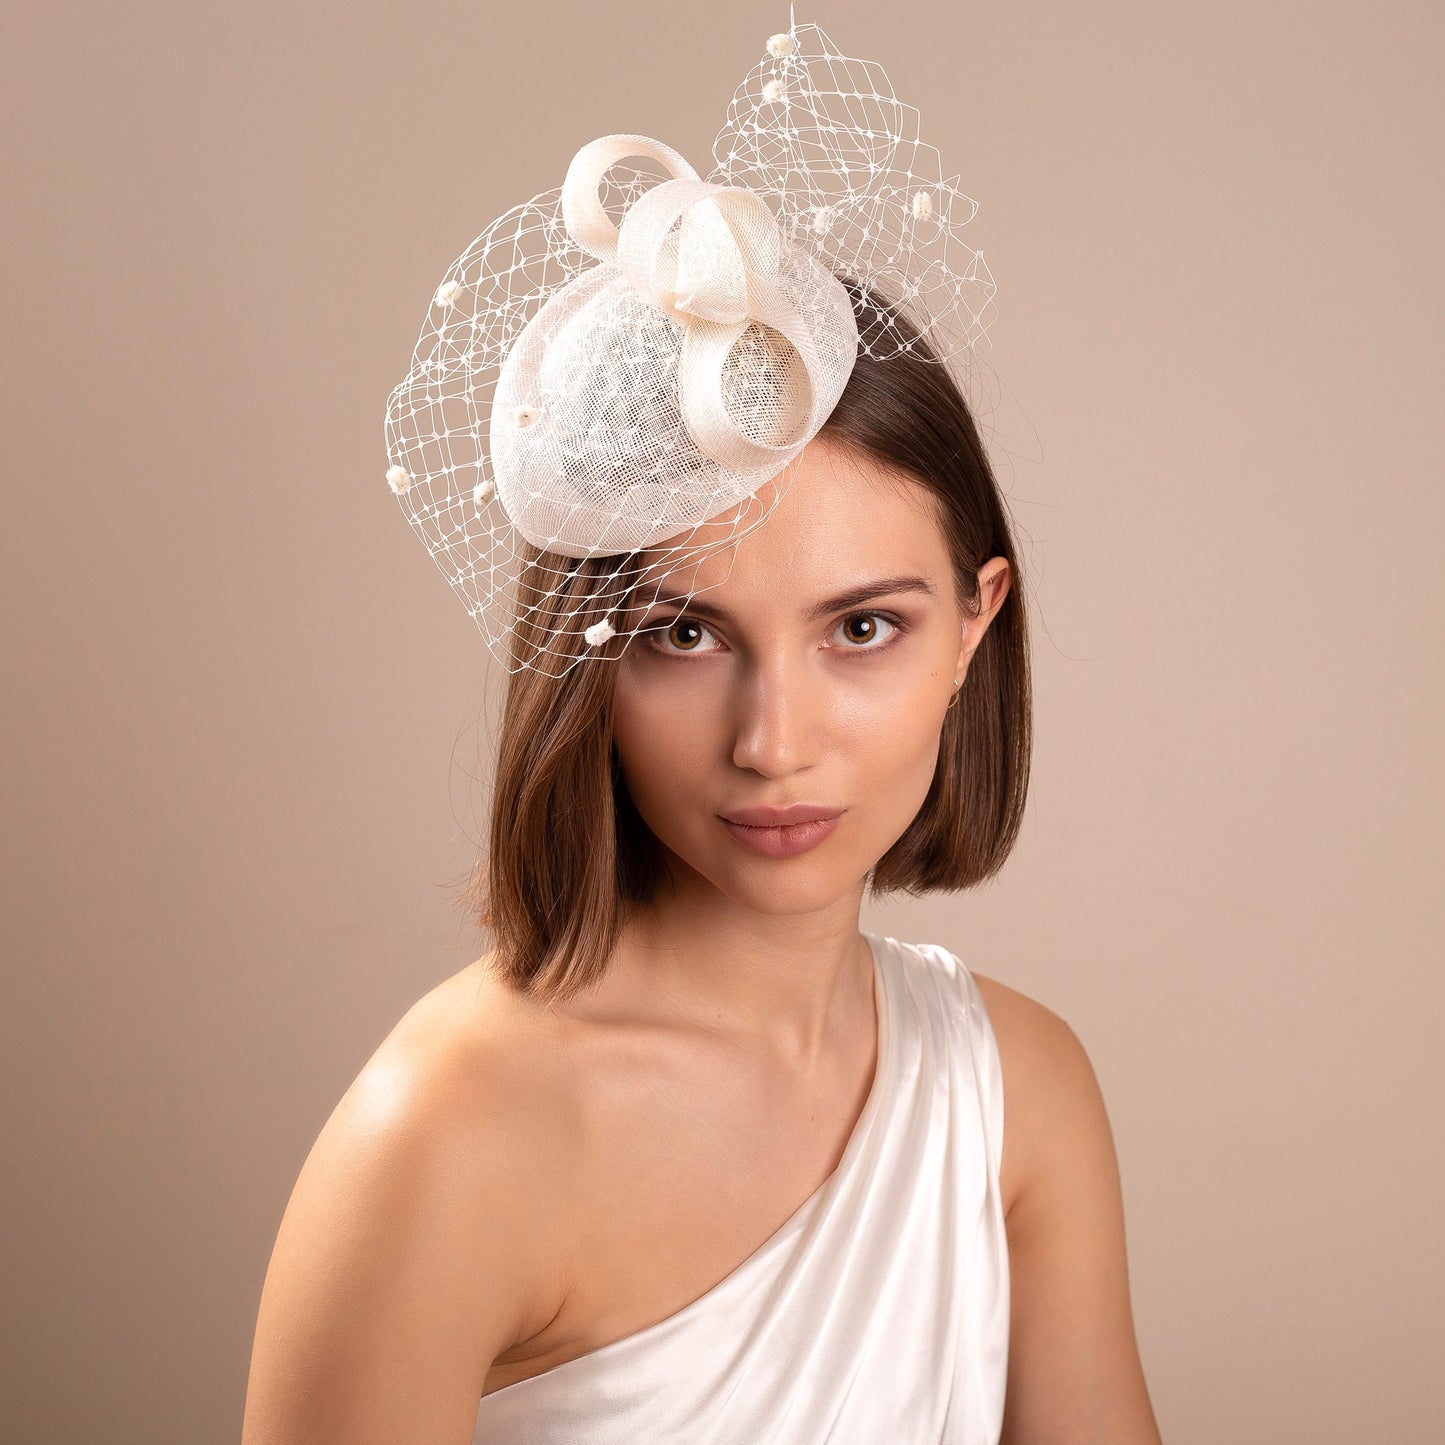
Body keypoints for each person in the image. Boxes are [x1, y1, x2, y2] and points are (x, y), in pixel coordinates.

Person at [243, 16, 1163, 1444]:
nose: (771, 739)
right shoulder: (444, 1138)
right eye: (685, 634)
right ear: (584, 659)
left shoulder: (1016, 1094)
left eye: (862, 626)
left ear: (975, 624)